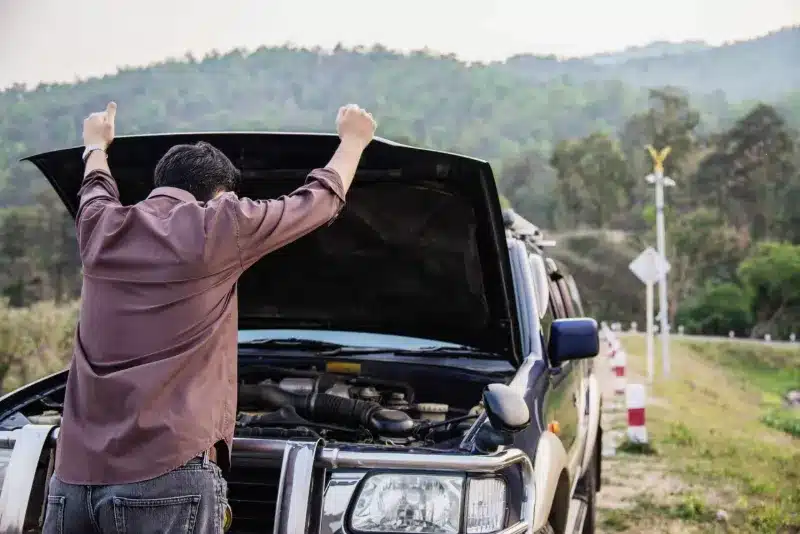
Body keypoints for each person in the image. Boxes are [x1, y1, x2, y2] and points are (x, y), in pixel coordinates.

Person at [42, 101, 377, 533]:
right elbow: (317, 203)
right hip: (165, 472)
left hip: (72, 478)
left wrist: (95, 144)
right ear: (221, 194)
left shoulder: (99, 224)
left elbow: (95, 184)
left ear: (159, 183)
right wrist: (354, 139)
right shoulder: (219, 224)